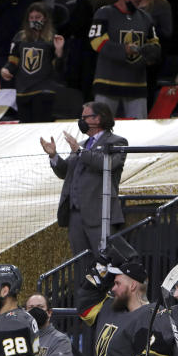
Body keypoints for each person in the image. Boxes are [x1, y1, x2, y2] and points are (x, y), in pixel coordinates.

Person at [41, 101, 127, 256]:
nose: (81, 122)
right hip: (75, 216)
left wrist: (79, 151)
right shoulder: (81, 145)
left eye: (85, 117)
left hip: (100, 215)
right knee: (81, 264)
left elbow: (107, 164)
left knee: (105, 261)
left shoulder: (116, 142)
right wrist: (54, 156)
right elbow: (65, 172)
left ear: (98, 119)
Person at [76, 252, 155, 356]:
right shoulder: (109, 306)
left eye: (117, 283)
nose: (112, 288)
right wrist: (98, 274)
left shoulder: (151, 314)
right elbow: (84, 306)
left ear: (132, 286)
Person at [89, 0, 161, 118]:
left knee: (139, 134)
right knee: (102, 131)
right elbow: (96, 41)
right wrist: (124, 50)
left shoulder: (146, 18)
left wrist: (152, 54)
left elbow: (155, 44)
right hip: (107, 84)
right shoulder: (104, 13)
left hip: (137, 86)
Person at [0, 2, 65, 123]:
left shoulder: (52, 39)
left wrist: (59, 51)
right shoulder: (20, 37)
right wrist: (6, 69)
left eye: (38, 17)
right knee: (25, 128)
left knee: (40, 127)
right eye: (32, 18)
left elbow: (59, 68)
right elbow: (13, 61)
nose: (34, 20)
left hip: (44, 90)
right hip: (23, 90)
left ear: (45, 18)